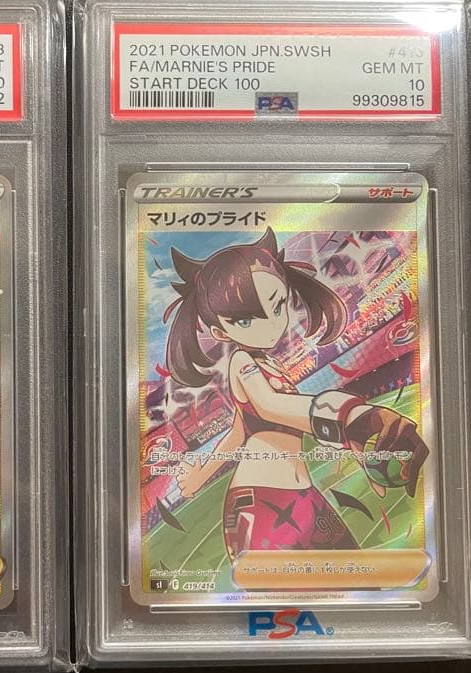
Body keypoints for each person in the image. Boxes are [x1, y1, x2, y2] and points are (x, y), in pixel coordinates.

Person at [164, 227, 427, 558]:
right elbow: (269, 405)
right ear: (219, 331)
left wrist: (200, 476)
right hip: (262, 503)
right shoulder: (242, 362)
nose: (271, 324)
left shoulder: (268, 363)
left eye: (278, 306)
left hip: (304, 497)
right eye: (245, 320)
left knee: (353, 578)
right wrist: (353, 419)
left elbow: (238, 431)